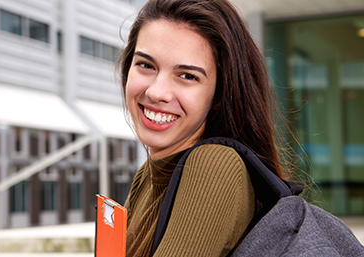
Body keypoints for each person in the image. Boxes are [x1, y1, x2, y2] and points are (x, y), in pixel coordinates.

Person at [119, 0, 289, 256]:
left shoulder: (214, 164)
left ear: (220, 94)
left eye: (187, 76)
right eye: (146, 65)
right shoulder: (147, 176)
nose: (156, 92)